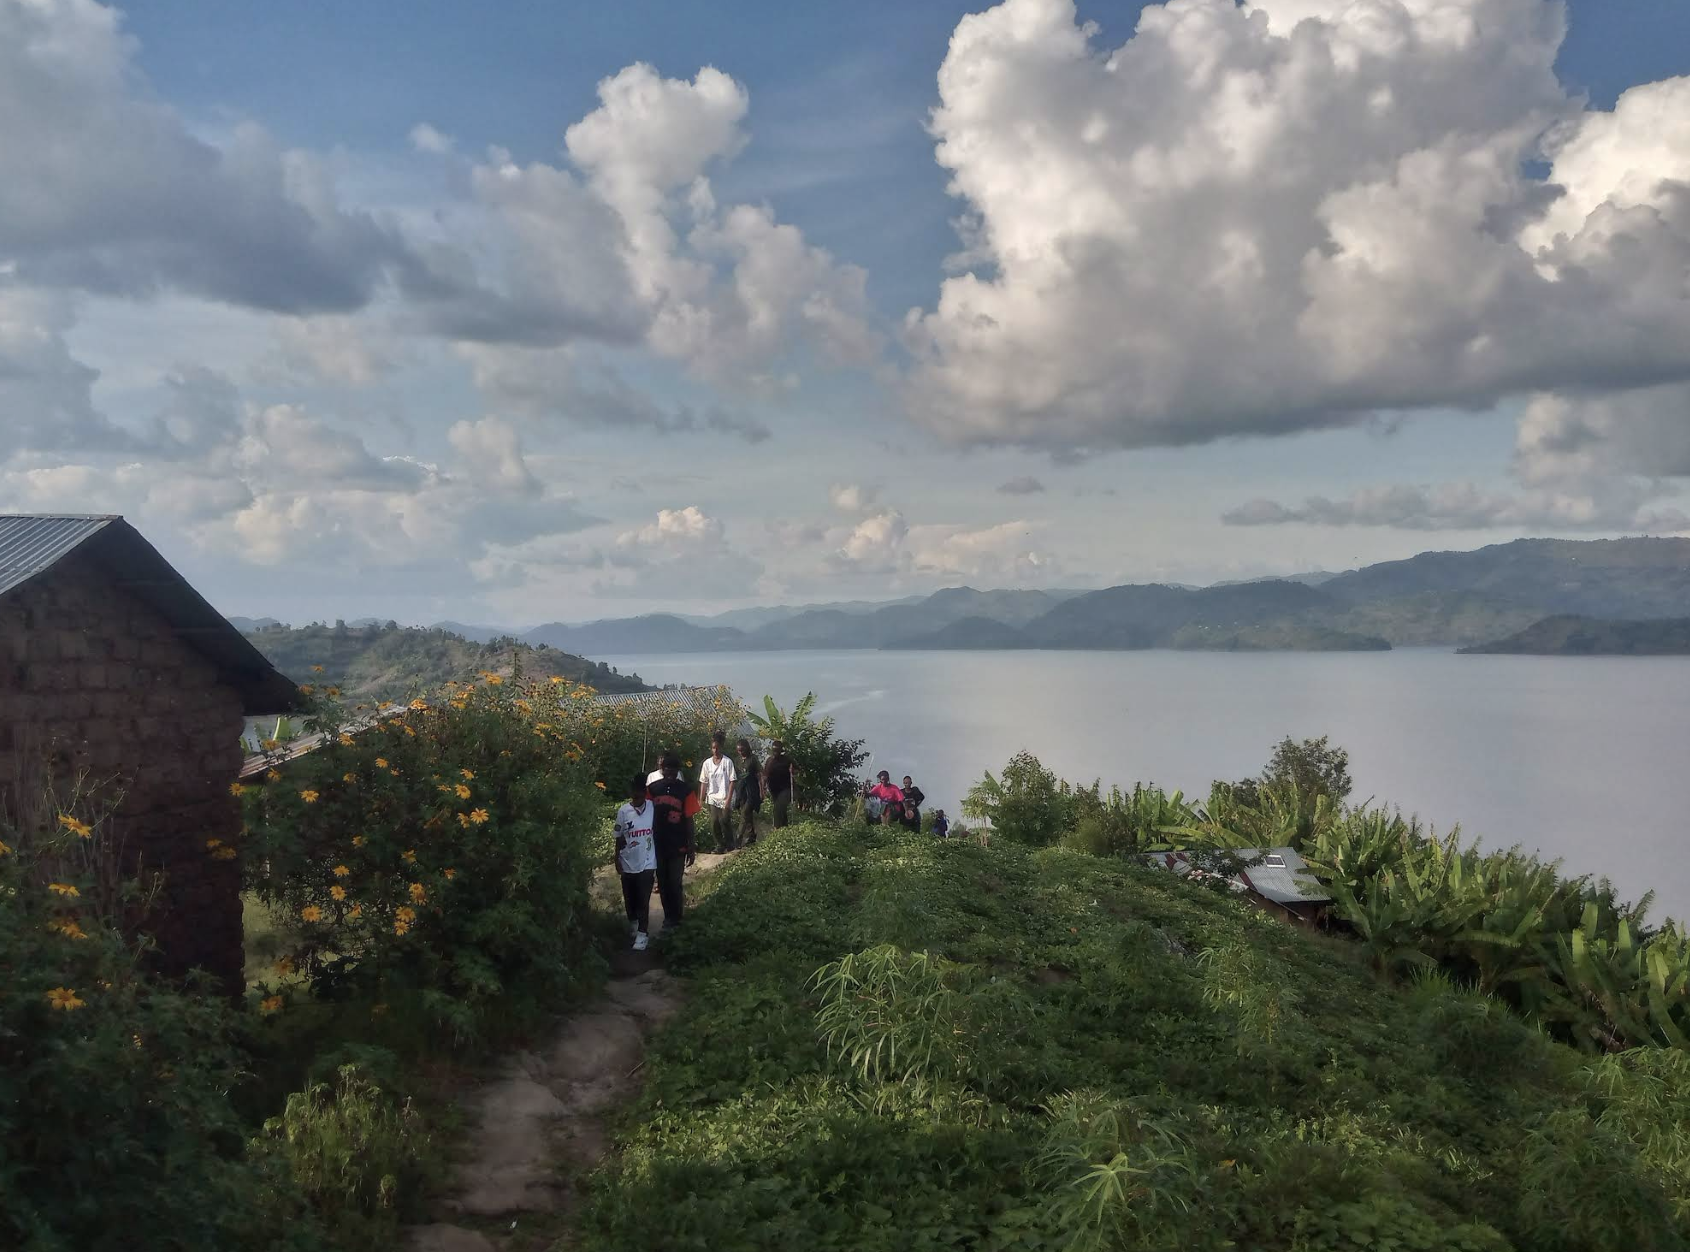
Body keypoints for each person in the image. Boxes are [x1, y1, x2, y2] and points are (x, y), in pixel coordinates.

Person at [646, 753, 697, 930]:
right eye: (666, 769)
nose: (669, 773)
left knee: (675, 882)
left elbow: (689, 820)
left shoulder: (686, 790)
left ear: (677, 771)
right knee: (663, 881)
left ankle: (677, 918)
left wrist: (691, 846)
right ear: (661, 769)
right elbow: (645, 817)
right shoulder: (652, 789)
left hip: (678, 844)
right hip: (658, 843)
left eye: (673, 770)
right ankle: (668, 917)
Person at [613, 774, 657, 951]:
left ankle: (643, 933)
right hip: (628, 860)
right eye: (633, 797)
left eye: (639, 796)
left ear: (644, 793)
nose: (636, 800)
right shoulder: (624, 812)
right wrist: (616, 858)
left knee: (643, 898)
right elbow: (618, 838)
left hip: (648, 861)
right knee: (629, 898)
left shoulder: (652, 808)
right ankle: (633, 923)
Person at [699, 730, 738, 851]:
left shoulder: (727, 762)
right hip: (713, 797)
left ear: (721, 747)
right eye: (713, 748)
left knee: (724, 820)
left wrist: (728, 799)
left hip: (726, 796)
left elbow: (732, 780)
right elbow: (704, 782)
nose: (715, 750)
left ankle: (730, 844)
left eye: (717, 748)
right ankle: (719, 845)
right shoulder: (707, 764)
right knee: (715, 821)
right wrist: (701, 799)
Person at [734, 737, 762, 847]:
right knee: (747, 814)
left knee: (745, 813)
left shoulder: (753, 759)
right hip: (741, 791)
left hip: (752, 790)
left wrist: (762, 790)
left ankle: (738, 838)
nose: (741, 752)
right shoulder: (737, 760)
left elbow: (760, 774)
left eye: (742, 750)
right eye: (739, 750)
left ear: (747, 748)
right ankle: (751, 835)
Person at [764, 739, 798, 828]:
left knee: (778, 808)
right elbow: (765, 775)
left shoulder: (787, 760)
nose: (775, 752)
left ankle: (777, 828)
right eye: (774, 750)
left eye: (777, 750)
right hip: (774, 790)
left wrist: (793, 770)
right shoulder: (769, 761)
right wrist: (763, 788)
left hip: (786, 789)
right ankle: (784, 827)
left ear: (781, 751)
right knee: (781, 809)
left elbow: (798, 771)